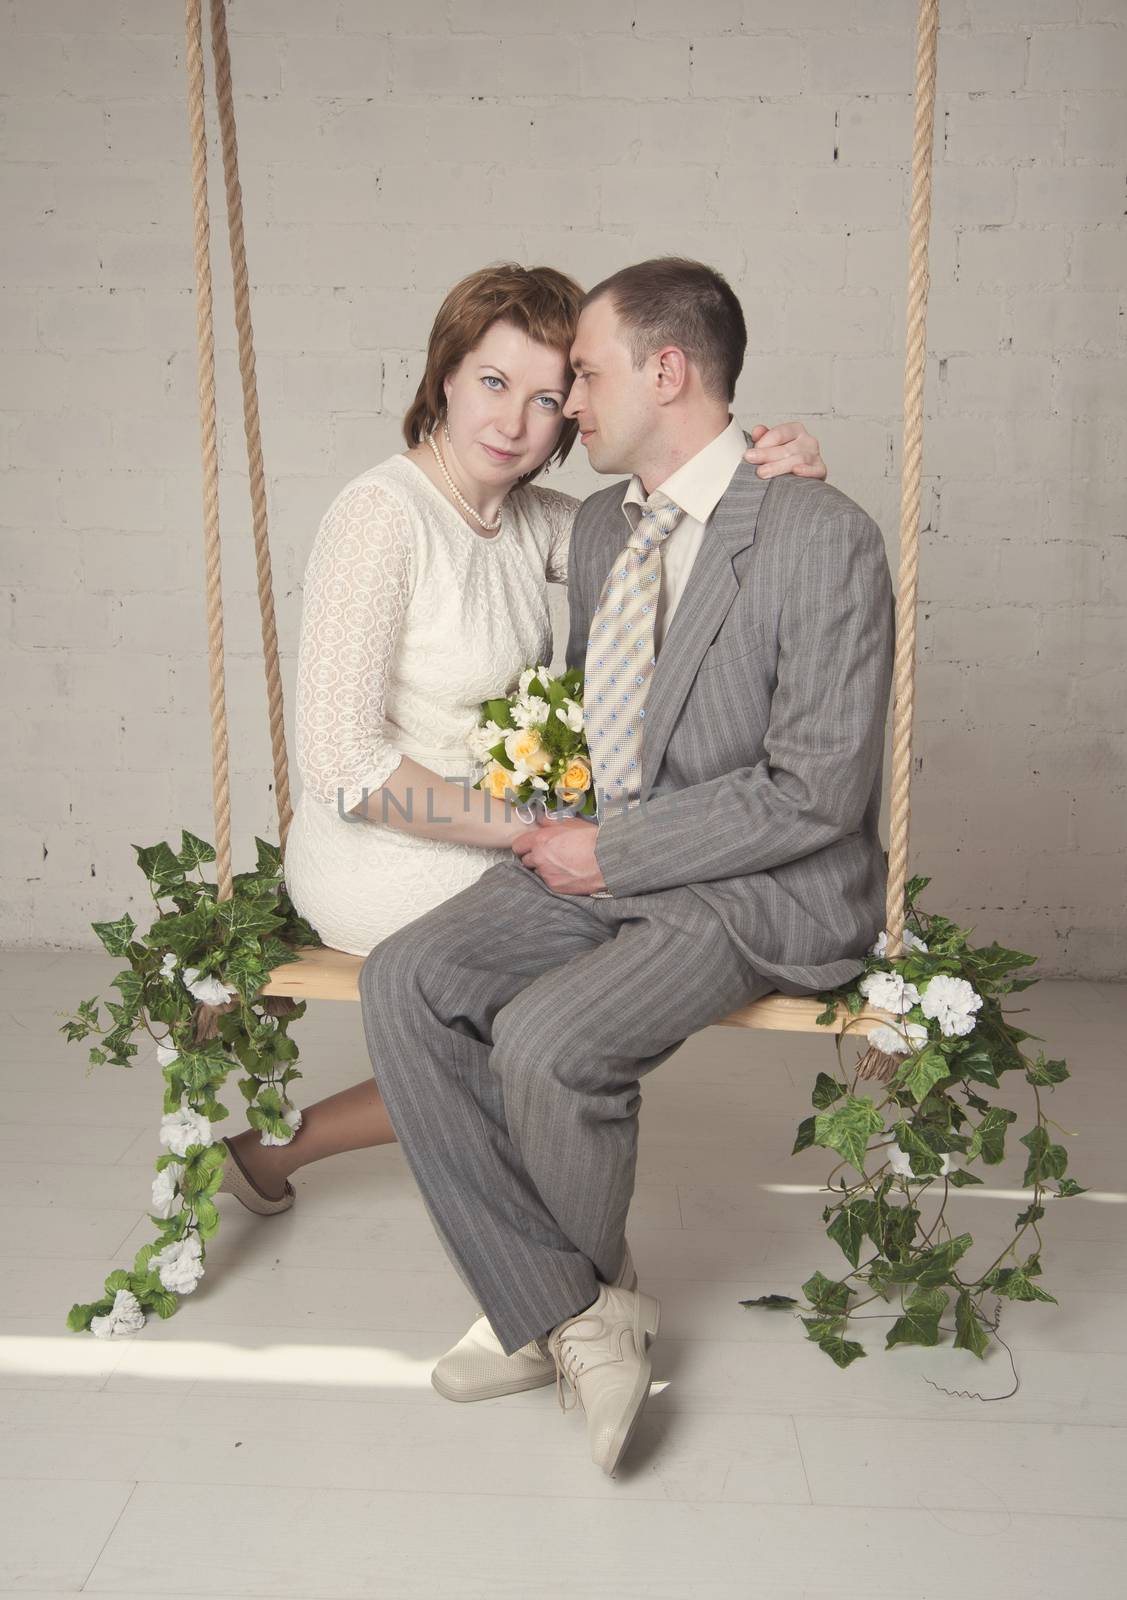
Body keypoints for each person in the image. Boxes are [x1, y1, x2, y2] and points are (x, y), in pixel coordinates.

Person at [356, 257, 896, 1478]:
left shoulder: (821, 534)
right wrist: (586, 845)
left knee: (548, 1041)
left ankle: (549, 1311)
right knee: (405, 980)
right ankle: (571, 1309)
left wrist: (618, 850)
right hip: (609, 859)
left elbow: (817, 789)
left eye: (584, 377)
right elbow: (501, 555)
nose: (565, 410)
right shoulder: (600, 525)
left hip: (758, 884)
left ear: (667, 369)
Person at [217, 262, 827, 1213]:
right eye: (494, 383)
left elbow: (679, 541)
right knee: (595, 986)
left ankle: (277, 1155)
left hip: (512, 830)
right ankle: (530, 1251)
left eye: (550, 399)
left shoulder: (536, 520)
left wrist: (769, 478)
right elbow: (342, 763)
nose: (515, 423)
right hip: (385, 846)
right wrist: (525, 833)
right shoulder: (381, 518)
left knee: (592, 989)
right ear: (446, 375)